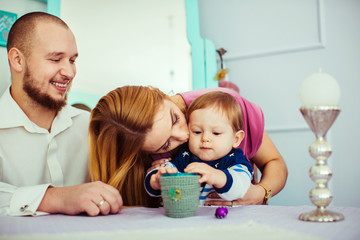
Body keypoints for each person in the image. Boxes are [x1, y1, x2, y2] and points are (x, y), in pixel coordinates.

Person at [0, 12, 122, 216]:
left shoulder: (91, 126)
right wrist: (54, 198)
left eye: (72, 60)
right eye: (56, 59)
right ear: (18, 60)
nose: (69, 72)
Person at [89, 85, 287, 207]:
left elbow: (274, 162)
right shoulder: (150, 153)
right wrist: (155, 179)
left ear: (154, 90)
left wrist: (261, 192)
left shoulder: (223, 106)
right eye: (165, 144)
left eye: (175, 119)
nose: (184, 136)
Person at [144, 92, 254, 204]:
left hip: (223, 220)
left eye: (216, 133)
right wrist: (157, 180)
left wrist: (217, 176)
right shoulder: (185, 156)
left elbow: (241, 187)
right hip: (187, 219)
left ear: (236, 139)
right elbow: (164, 171)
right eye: (197, 132)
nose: (205, 138)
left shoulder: (235, 159)